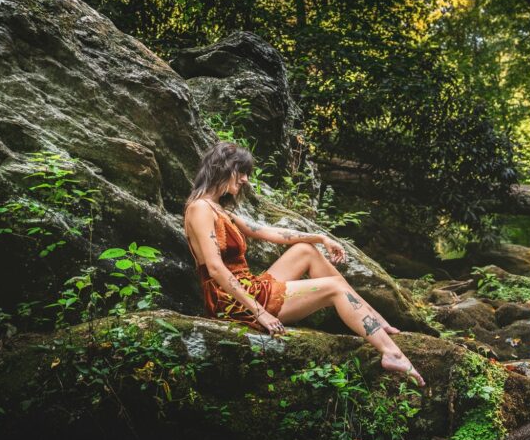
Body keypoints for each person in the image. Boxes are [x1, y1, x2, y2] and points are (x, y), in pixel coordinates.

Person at [182, 142, 425, 386]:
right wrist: (261, 312)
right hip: (233, 303)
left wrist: (320, 238)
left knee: (305, 251)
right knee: (334, 288)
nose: (245, 179)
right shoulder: (200, 209)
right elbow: (215, 268)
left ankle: (374, 318)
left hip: (249, 288)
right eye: (242, 171)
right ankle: (392, 354)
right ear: (224, 167)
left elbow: (270, 232)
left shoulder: (218, 209)